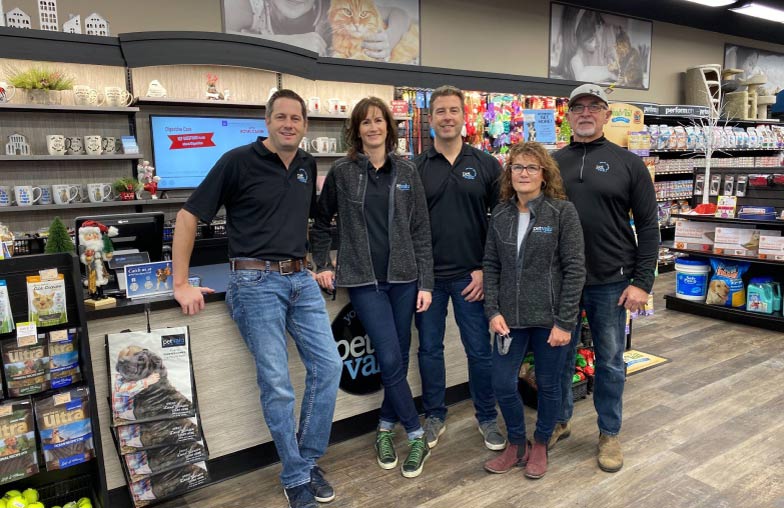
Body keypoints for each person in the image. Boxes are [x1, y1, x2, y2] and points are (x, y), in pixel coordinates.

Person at [172, 89, 342, 508]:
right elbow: (188, 216)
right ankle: (296, 474)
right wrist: (180, 283)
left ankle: (307, 458)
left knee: (330, 365)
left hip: (299, 278)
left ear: (305, 125)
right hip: (254, 283)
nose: (289, 124)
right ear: (267, 121)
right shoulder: (237, 161)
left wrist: (318, 263)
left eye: (296, 118)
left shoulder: (306, 163)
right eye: (281, 117)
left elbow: (309, 222)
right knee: (278, 385)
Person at [311, 97, 434, 478]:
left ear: (388, 127)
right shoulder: (343, 172)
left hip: (403, 278)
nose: (373, 127)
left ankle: (384, 428)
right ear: (356, 129)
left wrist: (425, 282)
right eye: (365, 122)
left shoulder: (407, 171)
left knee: (397, 354)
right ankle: (415, 433)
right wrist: (322, 263)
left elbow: (420, 232)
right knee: (389, 356)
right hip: (363, 280)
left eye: (379, 120)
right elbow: (319, 221)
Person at [550, 84, 658, 473]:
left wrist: (642, 282)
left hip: (613, 280)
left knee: (611, 361)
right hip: (561, 279)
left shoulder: (628, 163)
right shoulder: (552, 163)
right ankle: (559, 421)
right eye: (578, 106)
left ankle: (609, 433)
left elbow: (648, 226)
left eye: (594, 107)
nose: (585, 112)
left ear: (606, 115)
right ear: (568, 115)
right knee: (558, 357)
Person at [482, 141, 585, 479]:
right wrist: (492, 310)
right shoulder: (500, 214)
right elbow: (491, 265)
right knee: (501, 382)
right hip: (508, 319)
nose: (523, 173)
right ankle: (516, 442)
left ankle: (540, 442)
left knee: (551, 384)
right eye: (517, 167)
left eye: (531, 167)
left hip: (550, 320)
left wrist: (565, 322)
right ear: (508, 173)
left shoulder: (562, 213)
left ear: (544, 174)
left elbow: (575, 269)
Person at [414, 85, 504, 451]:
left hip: (472, 277)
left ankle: (486, 416)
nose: (447, 117)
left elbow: (502, 221)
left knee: (479, 350)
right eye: (440, 111)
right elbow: (407, 226)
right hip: (428, 280)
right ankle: (435, 413)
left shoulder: (485, 164)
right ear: (431, 118)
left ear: (464, 117)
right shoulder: (415, 167)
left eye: (453, 110)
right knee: (429, 350)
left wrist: (486, 269)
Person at [225, 0, 412, 61]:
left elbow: (400, 13)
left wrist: (390, 37)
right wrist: (288, 43)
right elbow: (222, 39)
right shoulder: (253, 6)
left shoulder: (336, 5)